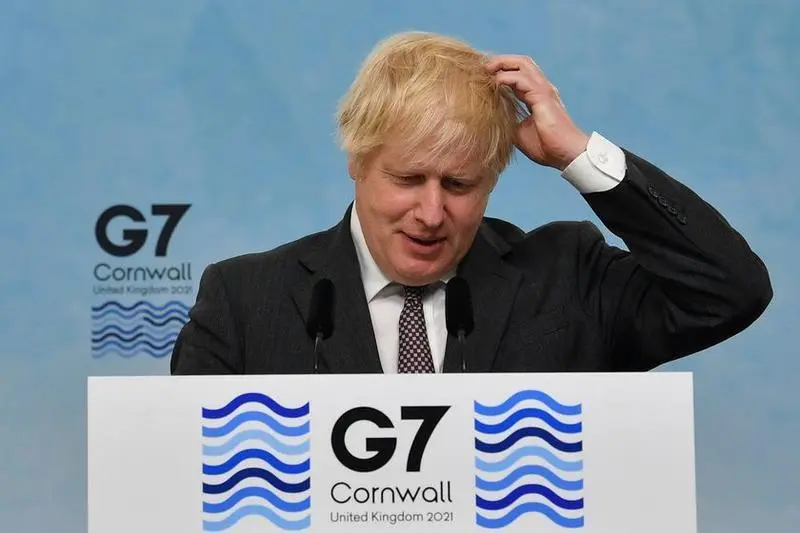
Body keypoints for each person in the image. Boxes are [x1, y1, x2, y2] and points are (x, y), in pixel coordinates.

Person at [170, 31, 772, 375]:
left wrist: (576, 153)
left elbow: (729, 292)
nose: (432, 214)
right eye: (409, 179)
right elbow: (190, 486)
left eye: (459, 185)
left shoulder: (567, 279)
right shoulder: (244, 302)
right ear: (357, 160)